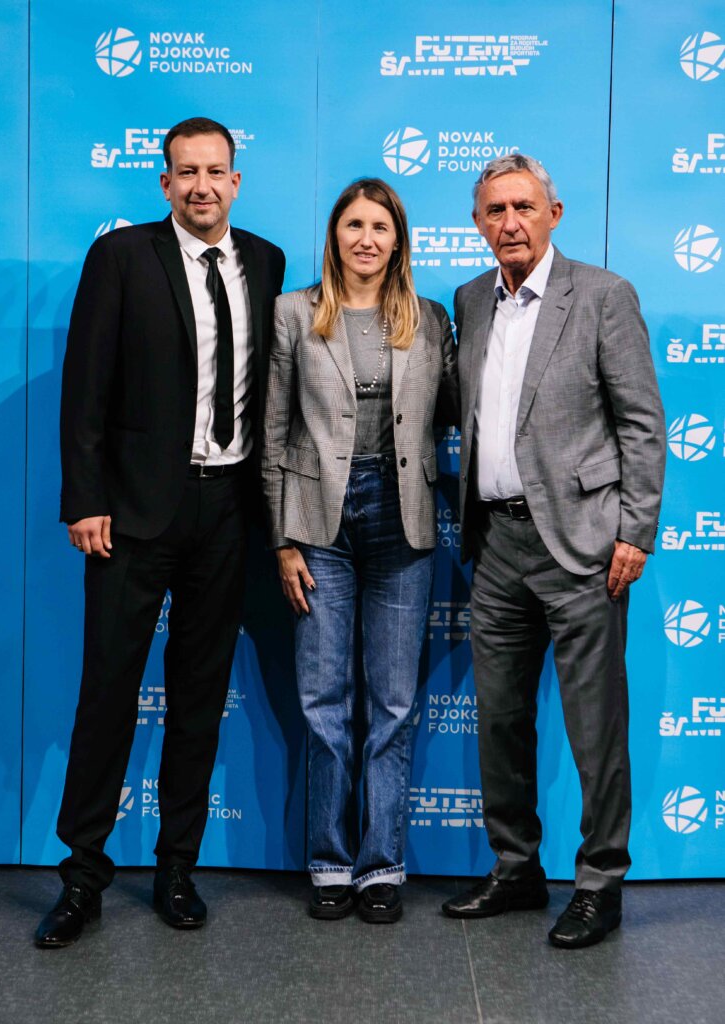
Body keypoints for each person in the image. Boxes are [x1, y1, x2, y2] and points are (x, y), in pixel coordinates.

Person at [35, 117, 285, 948]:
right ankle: (82, 876)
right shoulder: (121, 256)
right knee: (108, 693)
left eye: (216, 171)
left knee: (199, 700)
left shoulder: (266, 261)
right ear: (165, 182)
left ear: (236, 181)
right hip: (133, 514)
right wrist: (85, 499)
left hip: (228, 512)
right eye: (187, 172)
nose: (202, 186)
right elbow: (85, 387)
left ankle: (178, 867)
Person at [440, 154, 665, 948]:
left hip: (583, 544)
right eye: (494, 210)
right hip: (495, 543)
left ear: (553, 213)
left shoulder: (602, 295)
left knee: (594, 727)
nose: (509, 223)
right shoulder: (470, 300)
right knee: (499, 721)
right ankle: (515, 869)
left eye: (523, 207)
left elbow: (641, 422)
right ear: (477, 223)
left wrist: (634, 529)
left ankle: (599, 882)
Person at [262, 178, 458, 923]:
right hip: (320, 526)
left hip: (403, 523)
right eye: (354, 225)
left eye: (380, 226)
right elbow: (273, 433)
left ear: (398, 239)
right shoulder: (294, 312)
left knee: (393, 703)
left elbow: (453, 412)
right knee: (322, 703)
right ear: (334, 235)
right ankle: (329, 862)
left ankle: (381, 866)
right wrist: (282, 539)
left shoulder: (429, 319)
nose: (366, 238)